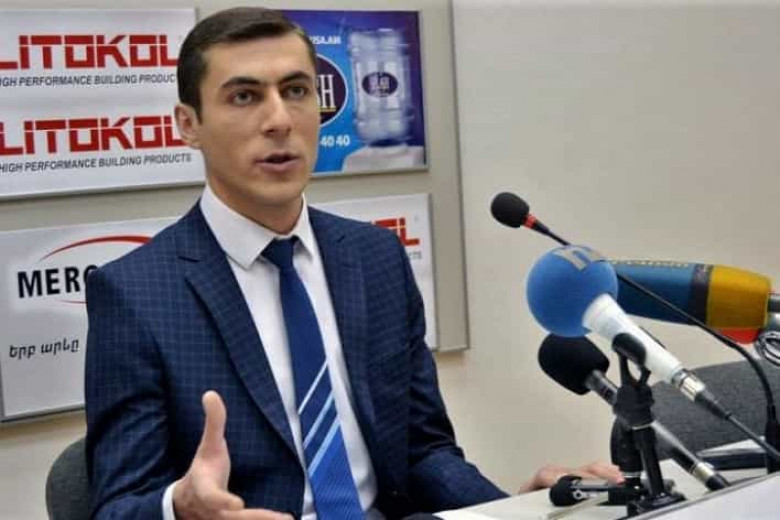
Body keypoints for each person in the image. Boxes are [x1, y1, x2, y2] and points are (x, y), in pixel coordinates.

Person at [84, 7, 621, 520]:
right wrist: (179, 507)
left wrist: (509, 509)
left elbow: (423, 451)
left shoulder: (375, 257)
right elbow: (117, 507)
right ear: (188, 124)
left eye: (297, 91)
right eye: (244, 96)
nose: (279, 120)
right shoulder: (136, 294)